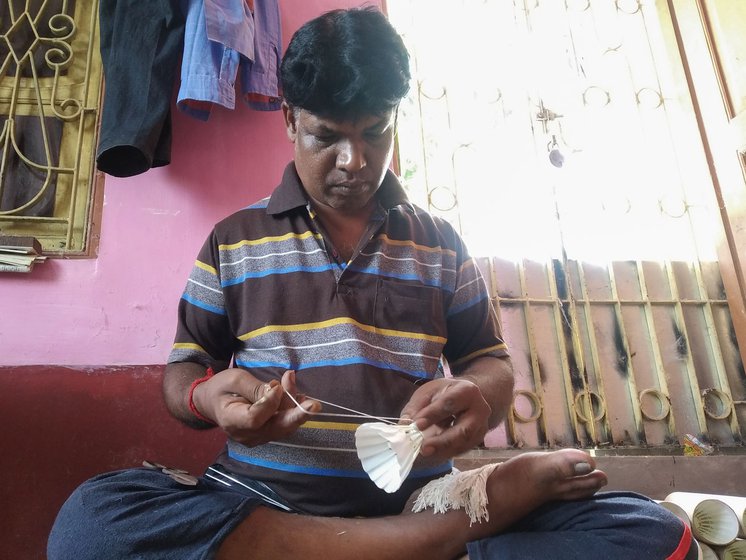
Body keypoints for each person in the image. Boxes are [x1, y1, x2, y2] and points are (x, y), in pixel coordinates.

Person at [48, 7, 696, 560]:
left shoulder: (439, 241)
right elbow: (182, 373)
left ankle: (402, 536)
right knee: (90, 523)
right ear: (289, 118)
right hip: (263, 500)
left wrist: (477, 396)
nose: (354, 161)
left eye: (375, 133)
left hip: (421, 495)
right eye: (327, 136)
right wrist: (208, 399)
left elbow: (487, 361)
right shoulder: (233, 241)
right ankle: (430, 542)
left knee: (656, 533)